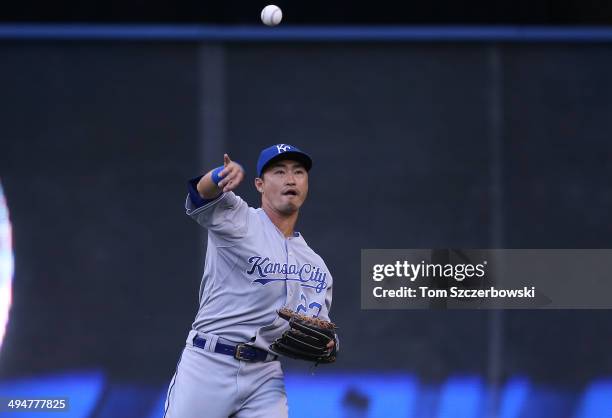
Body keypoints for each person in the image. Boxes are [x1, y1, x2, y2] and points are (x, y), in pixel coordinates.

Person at [164, 144, 337, 418]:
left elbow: (321, 327)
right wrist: (220, 175)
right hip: (209, 363)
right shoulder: (238, 218)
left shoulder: (316, 266)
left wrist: (329, 343)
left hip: (265, 374)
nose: (290, 179)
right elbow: (201, 193)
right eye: (279, 172)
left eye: (299, 172)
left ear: (306, 183)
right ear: (259, 184)